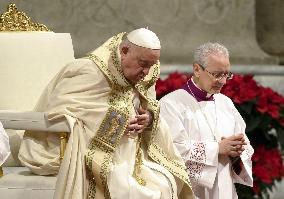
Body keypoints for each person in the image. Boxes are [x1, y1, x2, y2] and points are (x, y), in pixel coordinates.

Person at [18, 28, 193, 199]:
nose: (147, 72)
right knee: (133, 191)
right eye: (143, 64)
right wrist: (116, 124)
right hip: (92, 153)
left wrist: (148, 119)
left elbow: (149, 104)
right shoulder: (88, 70)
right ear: (124, 51)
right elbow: (59, 108)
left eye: (152, 65)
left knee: (165, 182)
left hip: (133, 156)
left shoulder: (144, 73)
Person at [159, 42, 254, 199]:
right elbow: (171, 151)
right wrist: (217, 149)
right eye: (217, 74)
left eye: (226, 74)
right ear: (197, 69)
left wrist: (238, 152)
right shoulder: (171, 104)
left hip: (226, 189)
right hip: (191, 192)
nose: (223, 81)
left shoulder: (226, 103)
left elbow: (245, 145)